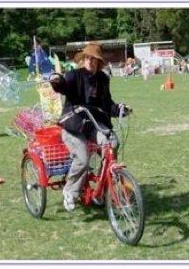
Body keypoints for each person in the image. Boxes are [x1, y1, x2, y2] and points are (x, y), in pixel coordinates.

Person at [50, 42, 131, 211]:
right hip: (74, 125)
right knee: (83, 159)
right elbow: (63, 86)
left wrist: (120, 109)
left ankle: (103, 186)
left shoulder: (103, 79)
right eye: (87, 58)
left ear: (99, 62)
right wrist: (57, 81)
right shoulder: (74, 75)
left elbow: (107, 104)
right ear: (83, 60)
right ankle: (70, 191)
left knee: (112, 143)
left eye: (94, 59)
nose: (90, 61)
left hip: (94, 125)